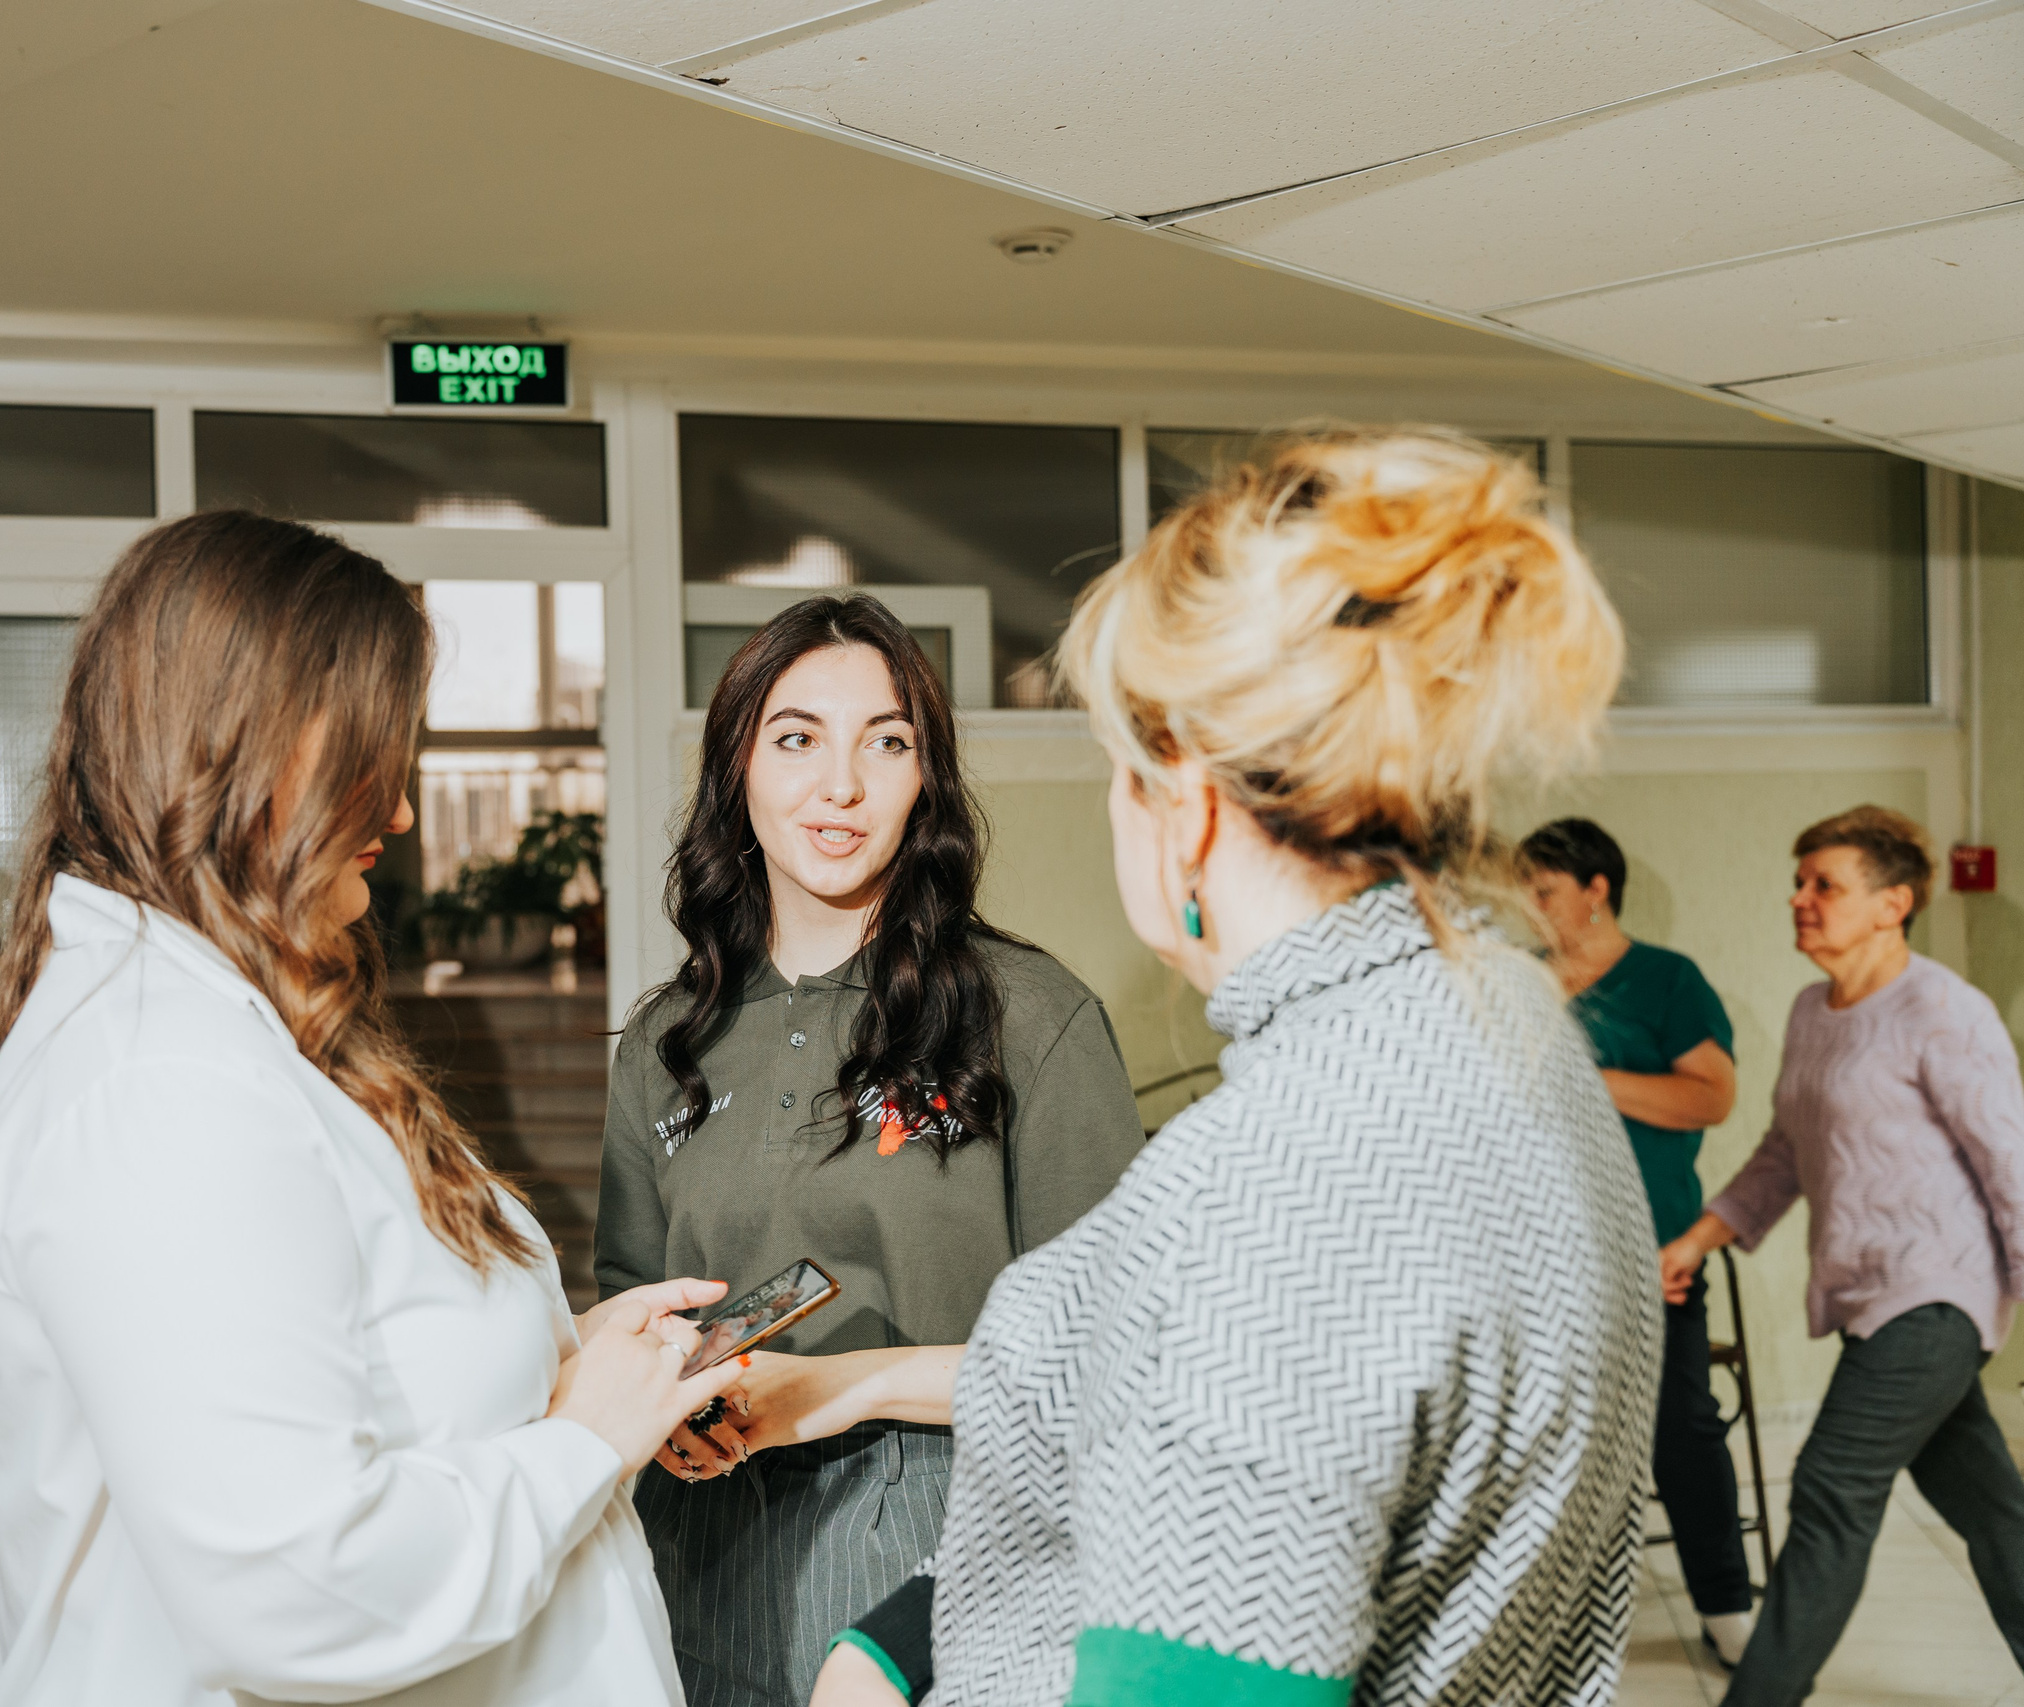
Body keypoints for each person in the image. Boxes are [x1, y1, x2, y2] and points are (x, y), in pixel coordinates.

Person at [816, 430, 1661, 1707]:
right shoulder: (1505, 1018)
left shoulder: (1271, 1189)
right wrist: (910, 1629)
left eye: (1116, 773)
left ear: (1187, 803)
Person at [0, 511, 742, 1707]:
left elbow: (345, 1365)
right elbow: (296, 1590)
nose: (403, 812)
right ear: (244, 749)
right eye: (371, 753)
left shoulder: (213, 1032)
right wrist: (585, 1441)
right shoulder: (162, 1081)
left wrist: (565, 1361)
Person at [595, 593, 1148, 1707]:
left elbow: (1116, 1355)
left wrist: (836, 1388)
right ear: (738, 767)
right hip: (696, 1559)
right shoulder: (666, 1040)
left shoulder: (1029, 1015)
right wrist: (671, 1401)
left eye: (886, 743)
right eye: (797, 738)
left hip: (944, 1560)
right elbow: (629, 1304)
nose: (840, 785)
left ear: (925, 780)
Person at [1661, 806, 2024, 1702]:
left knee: (1830, 1487)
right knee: (1991, 1510)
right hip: (1870, 1295)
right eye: (1799, 881)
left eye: (1825, 883)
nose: (1800, 898)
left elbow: (2011, 1163)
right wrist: (1697, 1239)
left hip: (1937, 1293)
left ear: (1892, 903)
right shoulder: (1811, 1012)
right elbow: (1787, 1149)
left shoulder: (1943, 1008)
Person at [1521, 816, 1755, 1667]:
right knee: (1543, 1438)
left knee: (1681, 1428)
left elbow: (1711, 1097)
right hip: (1541, 1256)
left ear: (1597, 890)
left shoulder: (1666, 980)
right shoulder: (1515, 981)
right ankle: (1547, 1622)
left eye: (1544, 890)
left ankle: (1726, 1606)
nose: (1529, 905)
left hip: (1653, 1250)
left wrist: (1587, 1077)